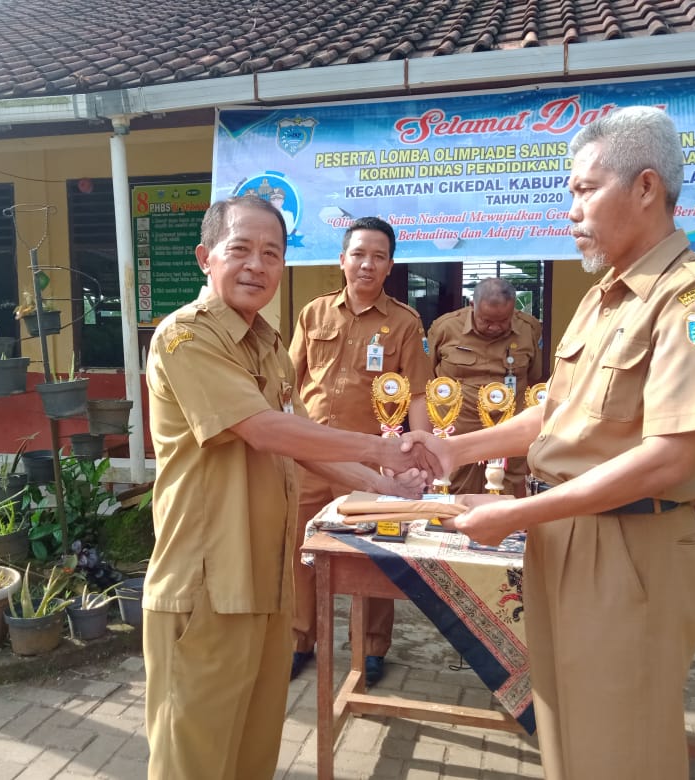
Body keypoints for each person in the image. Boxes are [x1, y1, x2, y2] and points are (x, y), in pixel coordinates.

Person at [434, 106, 695, 780]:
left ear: (644, 188)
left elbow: (671, 456)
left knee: (621, 748)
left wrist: (515, 515)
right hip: (564, 539)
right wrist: (453, 452)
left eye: (584, 190)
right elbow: (554, 413)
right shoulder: (603, 297)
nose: (570, 209)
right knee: (564, 733)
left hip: (628, 548)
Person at [142, 196, 438, 780]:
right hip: (208, 585)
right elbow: (261, 429)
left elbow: (306, 443)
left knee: (253, 753)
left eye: (271, 253)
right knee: (193, 760)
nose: (257, 265)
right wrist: (377, 447)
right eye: (241, 250)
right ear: (206, 258)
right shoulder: (185, 339)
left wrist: (391, 487)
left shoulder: (269, 345)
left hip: (267, 580)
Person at [288, 216, 433, 685]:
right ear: (342, 259)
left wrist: (423, 448)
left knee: (374, 554)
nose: (367, 264)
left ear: (390, 265)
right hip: (309, 456)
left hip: (372, 462)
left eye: (378, 256)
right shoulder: (313, 313)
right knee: (300, 549)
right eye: (359, 254)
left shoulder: (405, 323)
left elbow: (415, 395)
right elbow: (290, 383)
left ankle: (371, 649)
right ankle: (298, 639)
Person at [426, 277, 542, 495]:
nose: (495, 327)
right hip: (458, 433)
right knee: (452, 491)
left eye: (503, 320)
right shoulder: (446, 328)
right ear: (472, 305)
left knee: (507, 494)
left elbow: (534, 379)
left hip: (508, 432)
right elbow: (427, 378)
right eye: (487, 320)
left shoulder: (529, 330)